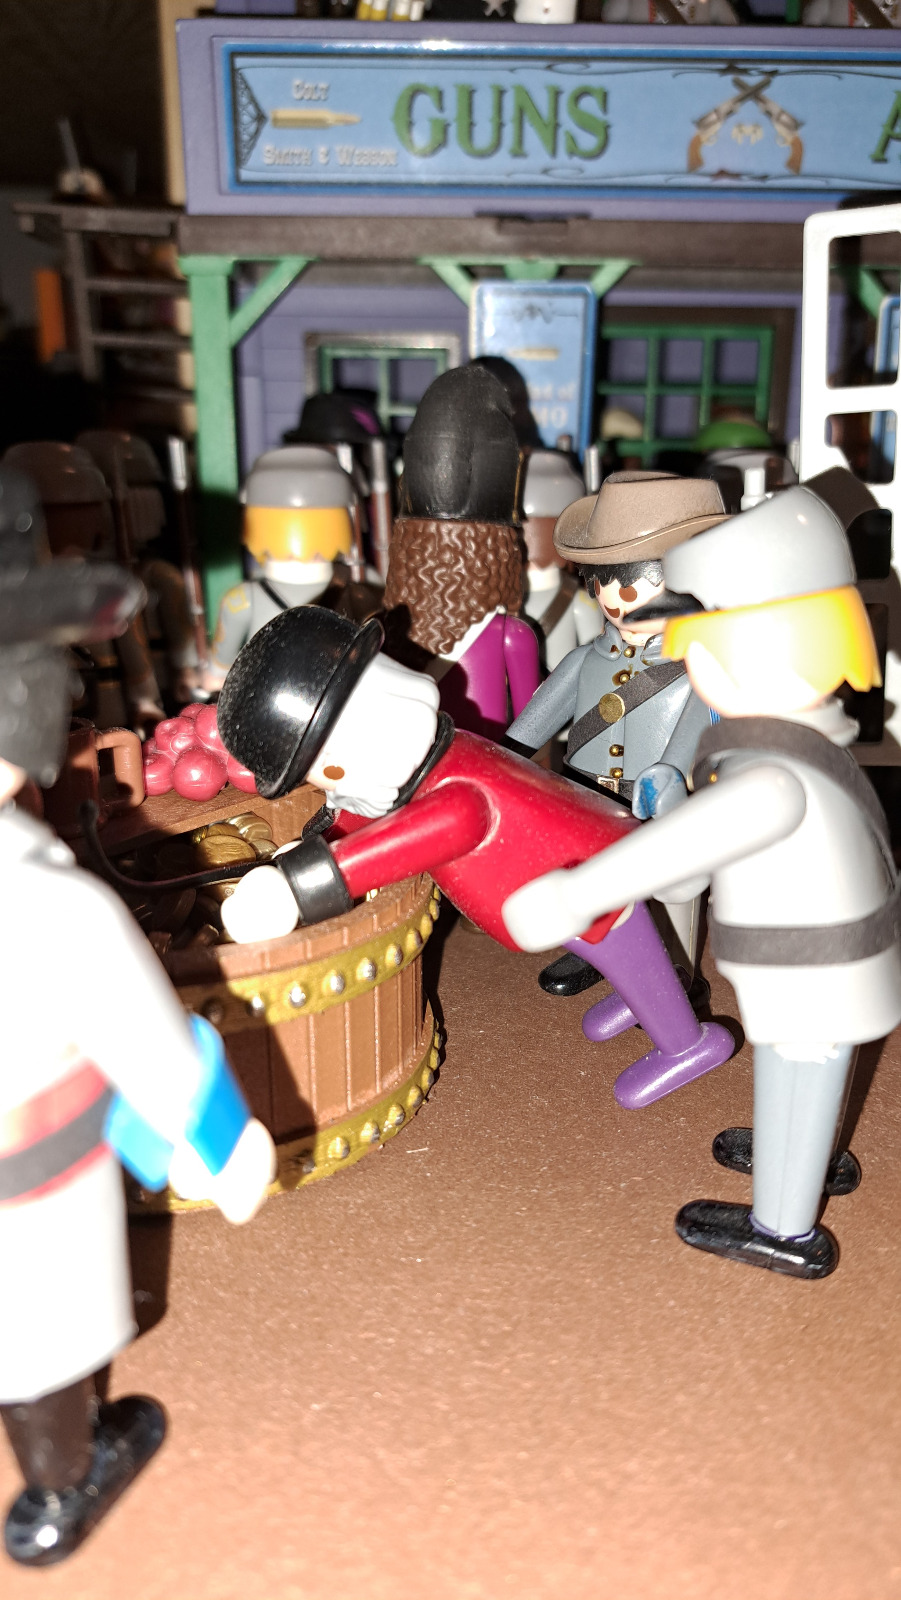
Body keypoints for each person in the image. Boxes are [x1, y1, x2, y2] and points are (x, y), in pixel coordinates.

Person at [503, 484, 901, 1279]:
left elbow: (684, 844)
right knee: (807, 1069)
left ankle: (783, 1227)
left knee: (800, 1066)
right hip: (827, 958)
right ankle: (809, 1153)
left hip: (811, 966)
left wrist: (573, 895)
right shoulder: (803, 744)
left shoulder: (772, 772)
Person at [0, 467, 275, 1564]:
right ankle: (57, 1488)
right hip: (27, 1172)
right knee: (36, 1334)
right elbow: (143, 1036)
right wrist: (220, 1142)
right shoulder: (47, 901)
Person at [214, 606, 733, 1108]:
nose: (331, 782)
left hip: (586, 873)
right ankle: (643, 996)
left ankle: (684, 1044)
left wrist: (301, 885)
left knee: (623, 942)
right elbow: (369, 809)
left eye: (324, 769)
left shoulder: (454, 794)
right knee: (617, 949)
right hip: (557, 883)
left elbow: (411, 837)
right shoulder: (432, 760)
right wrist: (322, 838)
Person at [507, 471, 727, 1014]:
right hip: (585, 796)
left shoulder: (700, 665)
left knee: (671, 886)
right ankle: (596, 949)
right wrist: (504, 758)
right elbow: (533, 722)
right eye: (603, 584)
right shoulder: (587, 659)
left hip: (660, 802)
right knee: (586, 874)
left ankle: (676, 975)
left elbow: (695, 725)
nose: (613, 600)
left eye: (629, 586)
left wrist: (669, 779)